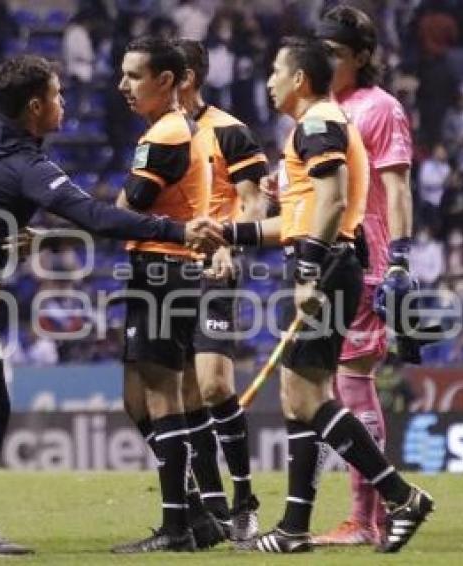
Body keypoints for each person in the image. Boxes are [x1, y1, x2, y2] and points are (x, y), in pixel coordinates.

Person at [0, 54, 225, 559]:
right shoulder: (30, 167)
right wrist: (179, 231)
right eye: (59, 95)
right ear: (37, 106)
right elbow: (96, 217)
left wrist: (7, 236)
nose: (64, 103)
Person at [222, 36, 434, 554]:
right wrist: (230, 233)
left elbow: (335, 201)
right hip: (332, 263)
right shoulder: (312, 127)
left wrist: (309, 271)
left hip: (330, 267)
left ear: (299, 79)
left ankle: (400, 497)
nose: (269, 80)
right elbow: (296, 221)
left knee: (307, 398)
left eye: (276, 70)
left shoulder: (318, 124)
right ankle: (296, 527)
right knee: (302, 399)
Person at [312, 5, 418, 546]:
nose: (325, 60)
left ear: (361, 56)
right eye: (321, 50)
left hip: (365, 260)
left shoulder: (381, 108)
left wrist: (399, 258)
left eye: (336, 52)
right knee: (326, 387)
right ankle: (360, 515)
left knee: (352, 383)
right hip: (324, 260)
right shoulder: (320, 107)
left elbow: (397, 187)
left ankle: (365, 519)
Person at [109, 36, 212, 554]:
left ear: (166, 80)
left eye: (133, 75)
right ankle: (194, 512)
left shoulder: (168, 134)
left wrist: (117, 207)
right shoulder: (163, 130)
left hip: (165, 272)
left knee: (161, 397)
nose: (122, 86)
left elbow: (129, 205)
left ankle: (179, 528)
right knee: (137, 399)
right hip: (155, 270)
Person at [177, 38, 268, 543]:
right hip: (167, 274)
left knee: (213, 384)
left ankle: (244, 499)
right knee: (187, 393)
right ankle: (212, 508)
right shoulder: (159, 134)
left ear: (184, 76)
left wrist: (230, 246)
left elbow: (254, 202)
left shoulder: (230, 131)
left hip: (213, 269)